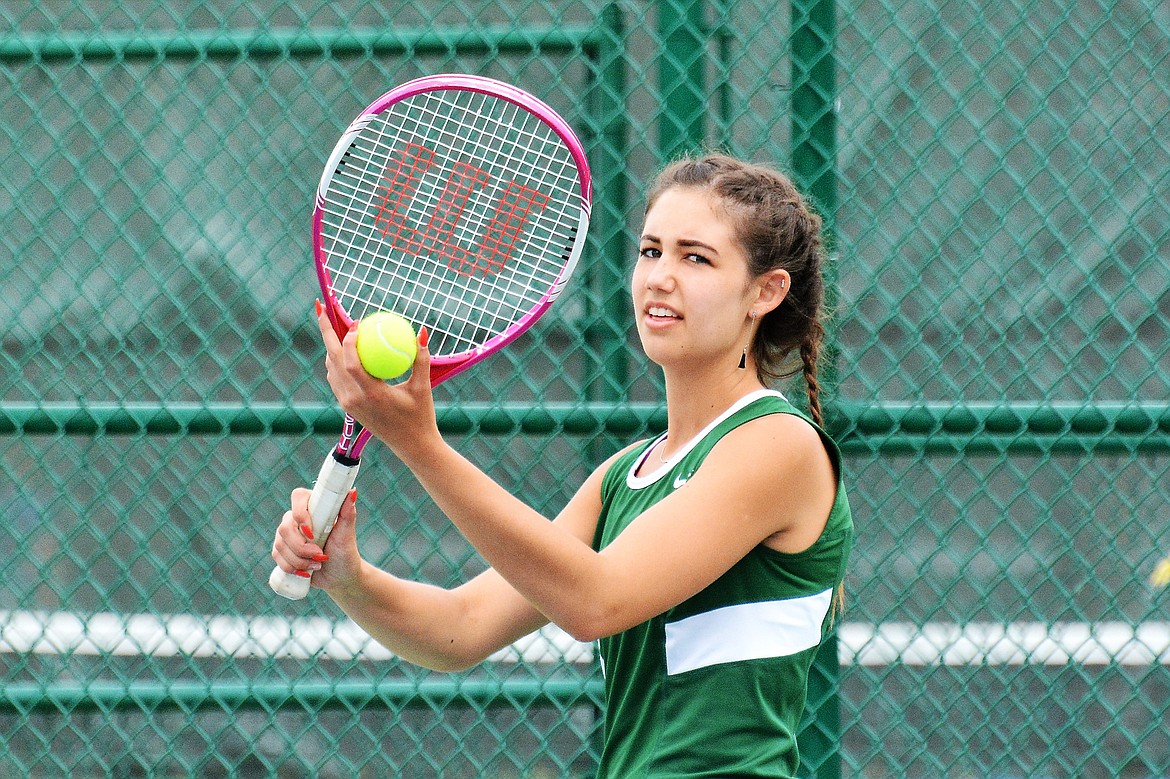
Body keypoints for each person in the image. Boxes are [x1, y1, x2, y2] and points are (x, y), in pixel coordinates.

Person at [271, 152, 853, 778]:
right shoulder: (623, 477)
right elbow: (459, 630)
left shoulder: (779, 447)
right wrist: (350, 578)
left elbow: (596, 602)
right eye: (651, 251)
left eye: (696, 257)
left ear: (764, 292)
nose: (659, 277)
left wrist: (419, 443)